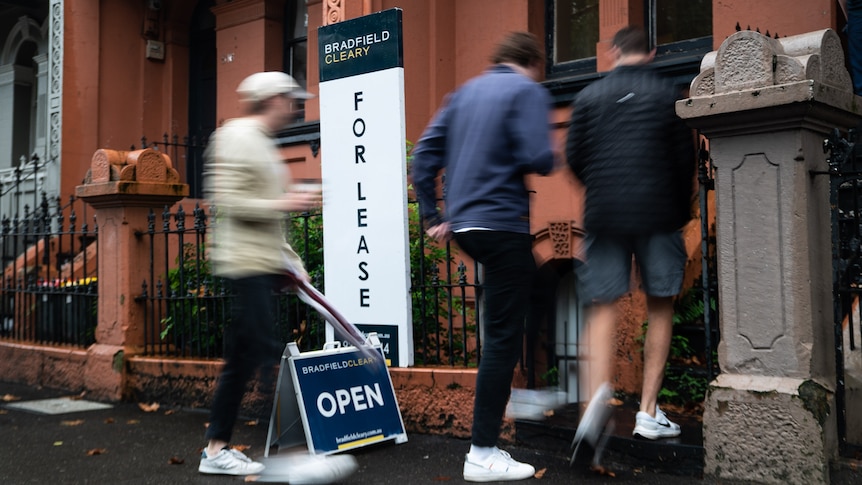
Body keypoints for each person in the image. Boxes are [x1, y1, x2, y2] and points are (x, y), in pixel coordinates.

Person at [411, 32, 556, 482]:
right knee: (500, 338)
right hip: (501, 224)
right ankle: (482, 450)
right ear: (533, 61)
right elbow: (539, 156)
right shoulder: (526, 90)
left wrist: (432, 213)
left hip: (466, 226)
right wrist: (548, 153)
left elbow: (423, 155)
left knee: (536, 285)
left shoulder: (464, 94)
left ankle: (531, 390)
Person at [200, 71, 358, 482]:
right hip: (244, 264)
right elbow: (230, 201)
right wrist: (286, 201)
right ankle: (285, 459)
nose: (295, 107)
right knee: (267, 352)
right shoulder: (236, 136)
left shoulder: (263, 143)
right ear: (271, 99)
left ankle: (216, 449)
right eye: (290, 99)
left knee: (244, 359)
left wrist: (293, 264)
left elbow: (267, 215)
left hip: (261, 263)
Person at [565, 26, 695, 454]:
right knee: (660, 304)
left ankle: (594, 402)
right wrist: (678, 212)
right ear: (652, 53)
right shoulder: (667, 94)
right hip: (658, 213)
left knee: (602, 305)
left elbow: (575, 160)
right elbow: (683, 162)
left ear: (613, 53)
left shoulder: (586, 97)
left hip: (605, 214)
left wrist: (602, 191)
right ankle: (647, 412)